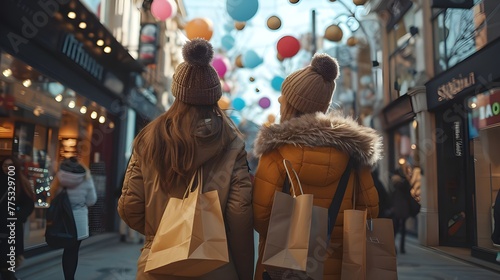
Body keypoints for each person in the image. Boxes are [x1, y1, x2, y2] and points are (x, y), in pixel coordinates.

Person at [118, 38, 254, 280]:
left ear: (177, 92)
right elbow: (239, 214)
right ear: (215, 96)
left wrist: (165, 235)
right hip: (216, 265)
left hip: (157, 266)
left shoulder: (149, 138)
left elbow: (130, 207)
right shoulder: (232, 143)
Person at [252, 53, 382, 280]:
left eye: (284, 97)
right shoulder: (353, 154)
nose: (280, 101)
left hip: (285, 267)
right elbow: (370, 211)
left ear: (291, 104)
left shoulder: (276, 153)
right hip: (340, 266)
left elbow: (261, 217)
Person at [50, 157, 97, 280]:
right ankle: (70, 278)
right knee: (73, 250)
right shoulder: (86, 178)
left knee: (67, 250)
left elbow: (52, 193)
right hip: (78, 219)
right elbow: (92, 200)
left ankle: (67, 276)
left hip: (62, 217)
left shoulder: (59, 177)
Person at [0, 156, 35, 280]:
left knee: (8, 262)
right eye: (5, 165)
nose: (7, 168)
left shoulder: (20, 182)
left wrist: (18, 216)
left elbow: (29, 204)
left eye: (10, 166)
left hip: (11, 227)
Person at [390, 167, 412, 254]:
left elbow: (390, 196)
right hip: (404, 208)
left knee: (395, 228)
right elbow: (409, 193)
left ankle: (393, 246)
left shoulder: (393, 183)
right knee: (402, 228)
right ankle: (402, 248)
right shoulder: (404, 183)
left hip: (396, 208)